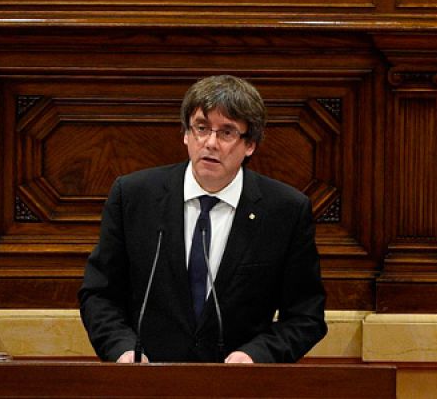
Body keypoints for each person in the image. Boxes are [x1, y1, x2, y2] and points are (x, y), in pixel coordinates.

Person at [79, 75, 327, 364]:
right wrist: (122, 350)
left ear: (250, 145)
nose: (210, 143)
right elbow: (99, 294)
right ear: (186, 133)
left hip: (237, 390)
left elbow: (306, 315)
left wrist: (255, 356)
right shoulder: (134, 196)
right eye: (201, 128)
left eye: (227, 133)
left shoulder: (285, 210)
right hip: (146, 383)